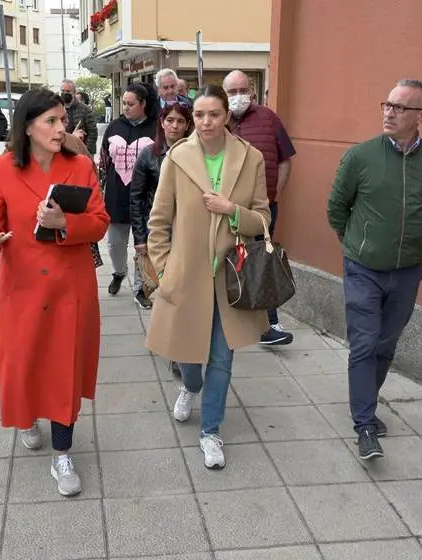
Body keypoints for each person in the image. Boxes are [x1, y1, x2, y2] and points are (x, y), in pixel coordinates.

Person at [0, 88, 110, 496]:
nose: (60, 127)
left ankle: (62, 453)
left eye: (62, 120)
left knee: (65, 367)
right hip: (25, 286)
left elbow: (100, 222)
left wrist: (64, 221)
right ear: (28, 127)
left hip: (72, 285)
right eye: (51, 121)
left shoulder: (81, 166)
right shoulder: (1, 168)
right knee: (26, 362)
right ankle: (28, 416)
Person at [145, 85, 271, 470]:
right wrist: (165, 268)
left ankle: (210, 431)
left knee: (221, 357)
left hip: (230, 278)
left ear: (226, 117)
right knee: (187, 353)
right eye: (198, 115)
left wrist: (232, 210)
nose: (204, 122)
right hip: (186, 275)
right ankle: (189, 385)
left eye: (212, 114)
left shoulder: (251, 159)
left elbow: (264, 219)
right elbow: (159, 221)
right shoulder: (177, 158)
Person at [327, 79, 422, 461]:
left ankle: (366, 403)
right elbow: (336, 208)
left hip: (408, 271)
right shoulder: (360, 156)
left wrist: (420, 249)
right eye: (387, 104)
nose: (389, 112)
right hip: (363, 267)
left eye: (399, 107)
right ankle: (364, 424)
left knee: (385, 344)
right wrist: (358, 246)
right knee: (364, 343)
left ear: (421, 116)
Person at [223, 70, 297, 345]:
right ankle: (234, 314)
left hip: (262, 209)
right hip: (226, 210)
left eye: (242, 90)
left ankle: (270, 324)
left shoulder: (269, 118)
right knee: (232, 259)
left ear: (252, 90)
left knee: (262, 261)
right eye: (232, 92)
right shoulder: (220, 120)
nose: (238, 97)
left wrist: (275, 194)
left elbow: (285, 158)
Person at [130, 101, 194, 309]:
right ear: (162, 123)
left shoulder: (196, 154)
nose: (175, 126)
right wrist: (140, 238)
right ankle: (141, 291)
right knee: (152, 275)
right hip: (155, 223)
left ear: (187, 125)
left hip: (186, 224)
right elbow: (136, 197)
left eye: (180, 121)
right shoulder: (148, 154)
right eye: (170, 120)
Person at [99, 82, 159, 297]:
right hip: (117, 194)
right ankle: (118, 272)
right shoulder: (115, 126)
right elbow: (104, 159)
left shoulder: (156, 128)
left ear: (143, 104)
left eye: (130, 104)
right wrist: (99, 187)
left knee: (143, 244)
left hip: (146, 197)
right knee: (115, 243)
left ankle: (140, 286)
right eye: (124, 103)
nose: (125, 107)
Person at [59, 79, 98, 154]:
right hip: (64, 150)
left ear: (74, 92)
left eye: (68, 91)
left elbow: (93, 132)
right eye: (63, 91)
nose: (65, 93)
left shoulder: (85, 109)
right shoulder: (57, 109)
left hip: (82, 151)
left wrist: (85, 150)